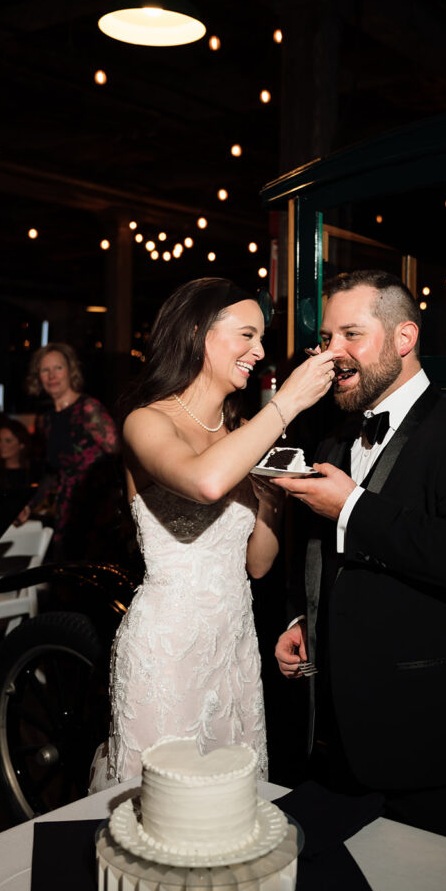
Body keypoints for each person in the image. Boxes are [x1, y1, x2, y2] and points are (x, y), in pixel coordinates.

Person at [274, 269, 446, 848]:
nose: (333, 354)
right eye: (327, 338)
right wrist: (299, 618)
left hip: (436, 744)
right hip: (339, 747)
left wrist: (352, 507)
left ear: (403, 338)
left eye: (351, 335)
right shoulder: (334, 438)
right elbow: (316, 551)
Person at [89, 277, 337, 789]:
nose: (260, 350)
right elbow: (205, 482)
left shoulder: (237, 431)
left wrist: (271, 504)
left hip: (235, 646)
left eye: (261, 338)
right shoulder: (146, 421)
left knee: (229, 807)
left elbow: (258, 564)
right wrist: (286, 403)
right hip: (168, 649)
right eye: (247, 335)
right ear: (199, 332)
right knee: (163, 805)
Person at [26, 343, 118, 559]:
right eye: (45, 370)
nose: (52, 375)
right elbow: (53, 473)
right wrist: (29, 506)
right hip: (66, 511)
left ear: (70, 370)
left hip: (96, 511)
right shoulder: (46, 419)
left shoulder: (88, 408)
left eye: (58, 367)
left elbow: (118, 457)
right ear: (38, 377)